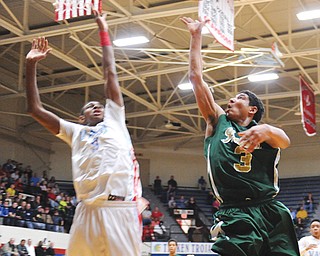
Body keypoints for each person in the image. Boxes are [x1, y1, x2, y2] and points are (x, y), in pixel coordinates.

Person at [25, 10, 143, 256]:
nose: (97, 106)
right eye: (90, 106)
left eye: (99, 104)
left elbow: (110, 72)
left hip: (118, 208)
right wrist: (31, 65)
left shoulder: (115, 119)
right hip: (86, 209)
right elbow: (35, 109)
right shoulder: (74, 131)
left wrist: (103, 30)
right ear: (81, 117)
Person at [180, 16, 300, 256]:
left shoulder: (264, 132)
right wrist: (196, 37)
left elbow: (285, 141)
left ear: (252, 109)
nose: (232, 99)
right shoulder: (217, 121)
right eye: (231, 98)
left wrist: (266, 130)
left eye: (240, 98)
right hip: (234, 210)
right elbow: (196, 79)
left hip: (270, 209)